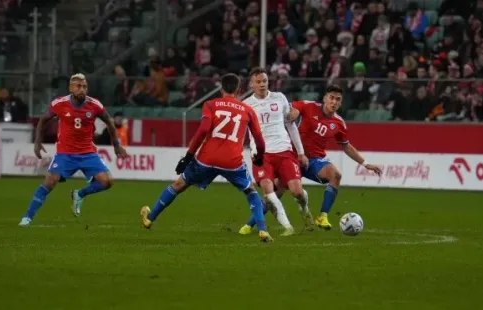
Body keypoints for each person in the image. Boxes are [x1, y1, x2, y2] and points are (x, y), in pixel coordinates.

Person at [140, 73, 273, 242]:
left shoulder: (210, 104)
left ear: (221, 88)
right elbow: (259, 141)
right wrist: (259, 156)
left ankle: (150, 218)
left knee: (179, 184)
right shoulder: (248, 110)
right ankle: (262, 230)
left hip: (206, 159)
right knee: (251, 192)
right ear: (239, 90)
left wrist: (188, 157)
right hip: (232, 161)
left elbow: (203, 130)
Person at [18, 73, 128, 226]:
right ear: (71, 88)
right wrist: (37, 141)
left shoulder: (94, 105)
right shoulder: (60, 104)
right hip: (65, 153)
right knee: (50, 181)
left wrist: (116, 145)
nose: (82, 89)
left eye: (84, 87)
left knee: (107, 181)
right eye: (78, 86)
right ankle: (27, 218)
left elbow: (109, 122)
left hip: (88, 153)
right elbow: (43, 119)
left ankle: (79, 194)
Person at [288, 85, 382, 229]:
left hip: (315, 160)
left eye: (338, 99)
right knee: (276, 189)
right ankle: (251, 224)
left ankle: (323, 217)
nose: (334, 102)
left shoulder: (339, 123)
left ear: (341, 103)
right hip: (293, 156)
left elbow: (346, 146)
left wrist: (365, 163)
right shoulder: (308, 106)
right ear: (325, 98)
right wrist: (292, 112)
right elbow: (288, 108)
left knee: (336, 175)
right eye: (331, 98)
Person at [238, 67, 314, 237]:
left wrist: (301, 152)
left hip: (284, 151)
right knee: (268, 191)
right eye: (258, 82)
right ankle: (288, 227)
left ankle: (304, 209)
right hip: (261, 154)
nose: (262, 84)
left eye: (264, 81)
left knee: (297, 192)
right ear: (252, 84)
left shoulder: (279, 98)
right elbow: (241, 132)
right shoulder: (246, 105)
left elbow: (291, 125)